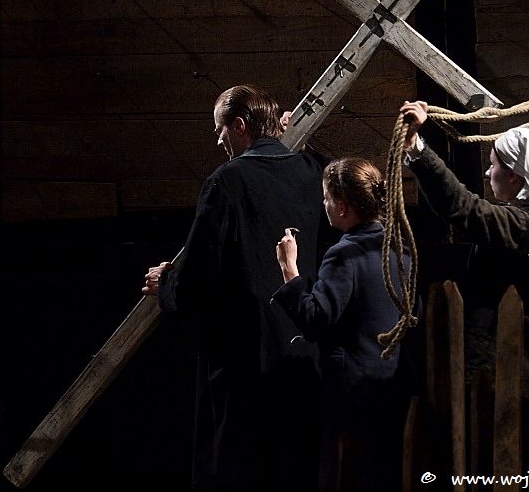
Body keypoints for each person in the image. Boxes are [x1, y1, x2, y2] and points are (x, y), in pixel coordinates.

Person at [398, 85, 529, 468]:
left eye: (493, 166)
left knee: (498, 459)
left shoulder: (517, 227)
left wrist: (416, 148)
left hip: (500, 369)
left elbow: (460, 205)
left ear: (517, 177)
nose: (488, 172)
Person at [142, 84, 328, 492]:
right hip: (302, 348)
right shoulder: (311, 171)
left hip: (244, 357)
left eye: (220, 130)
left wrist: (167, 280)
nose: (218, 140)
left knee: (240, 467)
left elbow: (202, 268)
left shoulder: (226, 181)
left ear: (240, 125)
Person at [272, 157, 415, 491]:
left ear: (341, 207)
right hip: (393, 384)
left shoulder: (344, 254)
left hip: (353, 394)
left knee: (346, 475)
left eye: (325, 198)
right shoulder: (400, 249)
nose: (322, 204)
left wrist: (289, 269)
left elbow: (315, 320)